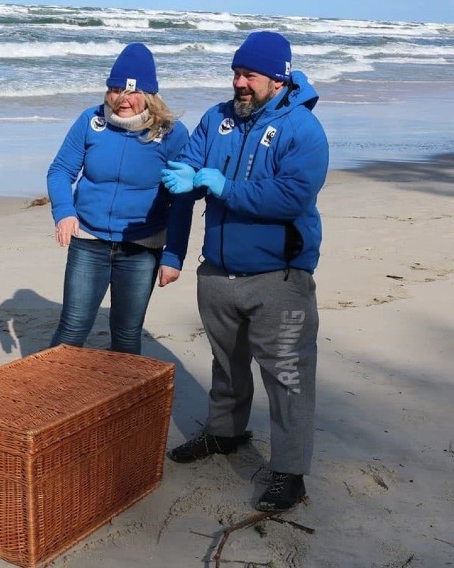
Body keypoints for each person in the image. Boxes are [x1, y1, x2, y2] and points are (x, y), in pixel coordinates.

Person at [161, 31, 329, 512]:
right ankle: (225, 433)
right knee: (226, 364)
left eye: (249, 75)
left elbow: (293, 196)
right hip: (217, 272)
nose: (239, 83)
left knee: (288, 377)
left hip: (279, 278)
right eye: (235, 73)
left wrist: (224, 187)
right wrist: (187, 179)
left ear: (278, 79)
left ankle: (291, 473)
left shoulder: (302, 129)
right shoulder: (217, 118)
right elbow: (190, 164)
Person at [46, 42, 192, 355]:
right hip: (89, 239)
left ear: (150, 95)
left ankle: (124, 404)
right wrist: (64, 212)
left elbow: (182, 200)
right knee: (71, 328)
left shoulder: (172, 134)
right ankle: (49, 398)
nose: (121, 99)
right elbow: (60, 171)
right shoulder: (91, 121)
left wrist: (174, 255)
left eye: (132, 91)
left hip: (142, 246)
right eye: (114, 90)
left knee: (126, 336)